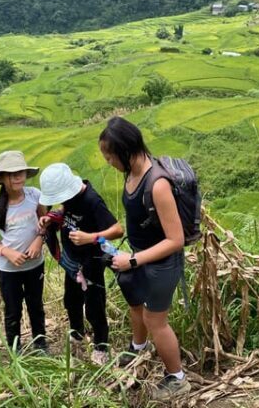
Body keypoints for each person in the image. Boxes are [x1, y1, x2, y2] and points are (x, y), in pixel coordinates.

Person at [98, 116, 191, 401]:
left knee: (155, 320)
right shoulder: (131, 173)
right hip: (139, 256)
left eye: (110, 157)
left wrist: (133, 260)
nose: (108, 163)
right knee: (136, 304)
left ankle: (177, 378)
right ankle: (138, 348)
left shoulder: (157, 185)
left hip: (161, 263)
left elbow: (175, 240)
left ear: (126, 151)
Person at [38, 162, 124, 365]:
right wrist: (53, 218)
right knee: (71, 300)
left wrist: (90, 237)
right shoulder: (70, 198)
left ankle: (101, 346)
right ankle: (77, 334)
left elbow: (117, 230)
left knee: (94, 305)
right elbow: (66, 211)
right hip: (73, 261)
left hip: (92, 261)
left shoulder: (92, 200)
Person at [0, 150, 47, 352]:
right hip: (8, 270)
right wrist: (7, 252)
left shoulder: (35, 196)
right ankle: (15, 349)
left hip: (35, 265)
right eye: (11, 174)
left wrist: (39, 241)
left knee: (36, 306)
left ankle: (40, 344)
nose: (17, 177)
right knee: (13, 310)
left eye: (20, 172)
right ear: (1, 178)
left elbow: (46, 223)